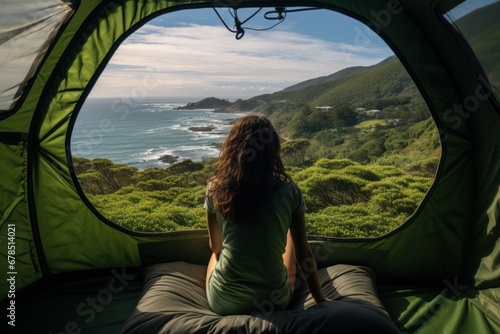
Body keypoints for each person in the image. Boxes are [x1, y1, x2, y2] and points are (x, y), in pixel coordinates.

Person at [204, 115, 329, 316]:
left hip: (225, 303)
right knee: (290, 240)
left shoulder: (215, 187)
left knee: (216, 253)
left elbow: (215, 246)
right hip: (274, 301)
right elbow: (304, 255)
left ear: (232, 147)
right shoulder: (289, 190)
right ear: (272, 151)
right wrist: (320, 299)